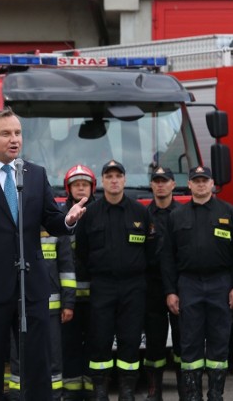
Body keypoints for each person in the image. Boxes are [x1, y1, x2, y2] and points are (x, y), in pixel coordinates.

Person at [0, 108, 87, 401]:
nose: (14, 140)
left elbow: (52, 219)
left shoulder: (35, 174)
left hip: (30, 286)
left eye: (18, 133)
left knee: (38, 366)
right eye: (6, 133)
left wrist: (68, 219)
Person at [161, 166, 233, 401]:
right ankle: (192, 396)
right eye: (196, 181)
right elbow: (167, 258)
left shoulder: (229, 212)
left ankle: (215, 395)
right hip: (188, 284)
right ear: (189, 185)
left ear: (212, 184)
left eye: (205, 180)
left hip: (220, 283)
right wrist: (171, 291)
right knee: (189, 342)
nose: (200, 184)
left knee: (220, 342)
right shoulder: (176, 216)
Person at [75, 160, 153, 401]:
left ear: (125, 180)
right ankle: (100, 390)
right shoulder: (91, 214)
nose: (114, 180)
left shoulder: (140, 212)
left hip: (133, 286)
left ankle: (127, 390)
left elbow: (150, 250)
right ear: (103, 181)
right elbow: (82, 252)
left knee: (130, 339)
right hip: (103, 285)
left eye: (118, 176)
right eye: (109, 176)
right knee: (100, 338)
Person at [8, 223, 76, 400]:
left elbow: (66, 268)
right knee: (18, 357)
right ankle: (18, 396)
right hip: (19, 306)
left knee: (52, 357)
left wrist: (68, 303)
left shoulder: (57, 230)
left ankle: (53, 396)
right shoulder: (16, 226)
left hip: (52, 309)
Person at [143, 167, 182, 401]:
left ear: (173, 184)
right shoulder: (145, 215)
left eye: (164, 181)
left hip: (180, 284)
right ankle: (153, 391)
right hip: (152, 284)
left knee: (182, 339)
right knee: (154, 341)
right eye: (156, 181)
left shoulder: (184, 213)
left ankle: (185, 391)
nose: (160, 185)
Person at [60, 164, 96, 401]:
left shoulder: (100, 213)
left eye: (85, 184)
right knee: (69, 345)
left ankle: (93, 390)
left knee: (95, 343)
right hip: (69, 297)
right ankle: (73, 392)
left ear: (92, 188)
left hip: (96, 295)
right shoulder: (59, 217)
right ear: (69, 189)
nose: (80, 188)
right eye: (76, 184)